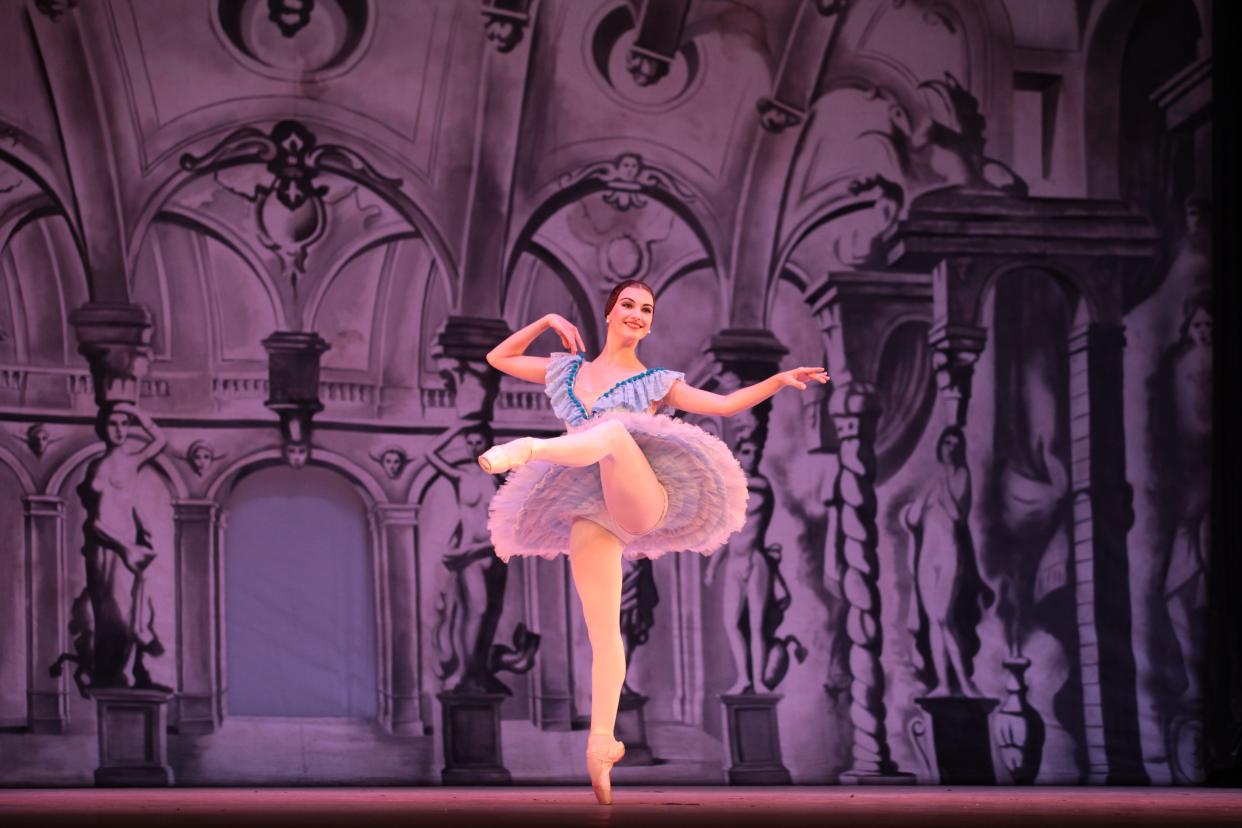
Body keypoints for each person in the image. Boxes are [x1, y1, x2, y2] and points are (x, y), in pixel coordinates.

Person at [481, 280, 828, 804]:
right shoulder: (568, 371)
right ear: (609, 312)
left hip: (643, 499)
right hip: (589, 505)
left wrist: (777, 380)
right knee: (604, 634)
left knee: (616, 434)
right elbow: (498, 356)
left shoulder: (656, 382)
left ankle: (529, 448)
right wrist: (549, 321)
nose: (638, 315)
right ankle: (602, 746)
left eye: (647, 310)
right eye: (629, 305)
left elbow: (727, 405)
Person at [76, 402, 168, 689]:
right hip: (110, 549)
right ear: (102, 428)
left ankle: (126, 673)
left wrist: (134, 410)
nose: (120, 429)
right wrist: (126, 547)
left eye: (124, 424)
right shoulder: (101, 468)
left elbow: (160, 440)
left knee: (133, 613)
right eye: (113, 423)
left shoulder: (131, 461)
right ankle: (111, 676)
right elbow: (97, 524)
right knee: (115, 615)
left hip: (127, 546)